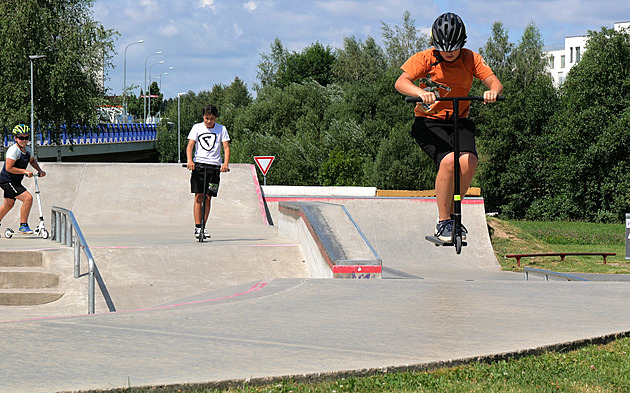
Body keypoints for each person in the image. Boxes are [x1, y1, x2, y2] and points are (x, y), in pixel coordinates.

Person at [395, 12, 503, 242]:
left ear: (462, 43)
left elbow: (494, 82)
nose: (449, 53)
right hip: (428, 122)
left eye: (453, 47)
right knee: (448, 160)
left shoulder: (471, 58)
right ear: (435, 44)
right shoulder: (425, 58)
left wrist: (492, 92)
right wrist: (421, 93)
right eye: (443, 48)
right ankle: (443, 221)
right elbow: (401, 82)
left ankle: (454, 214)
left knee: (468, 161)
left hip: (458, 120)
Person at [186, 104, 230, 239]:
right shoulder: (197, 128)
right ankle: (197, 227)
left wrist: (225, 164)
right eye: (206, 119)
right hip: (199, 165)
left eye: (211, 119)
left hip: (214, 167)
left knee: (208, 197)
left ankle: (204, 226)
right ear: (203, 117)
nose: (209, 122)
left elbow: (226, 148)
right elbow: (190, 146)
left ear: (215, 117)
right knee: (199, 196)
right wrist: (190, 161)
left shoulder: (221, 129)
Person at [0, 124, 46, 234]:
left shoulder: (28, 150)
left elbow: (32, 161)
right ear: (15, 138)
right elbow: (9, 168)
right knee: (28, 198)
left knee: (8, 204)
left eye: (26, 138)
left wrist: (39, 170)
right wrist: (25, 171)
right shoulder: (13, 151)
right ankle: (23, 225)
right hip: (7, 181)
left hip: (15, 181)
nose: (24, 140)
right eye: (21, 138)